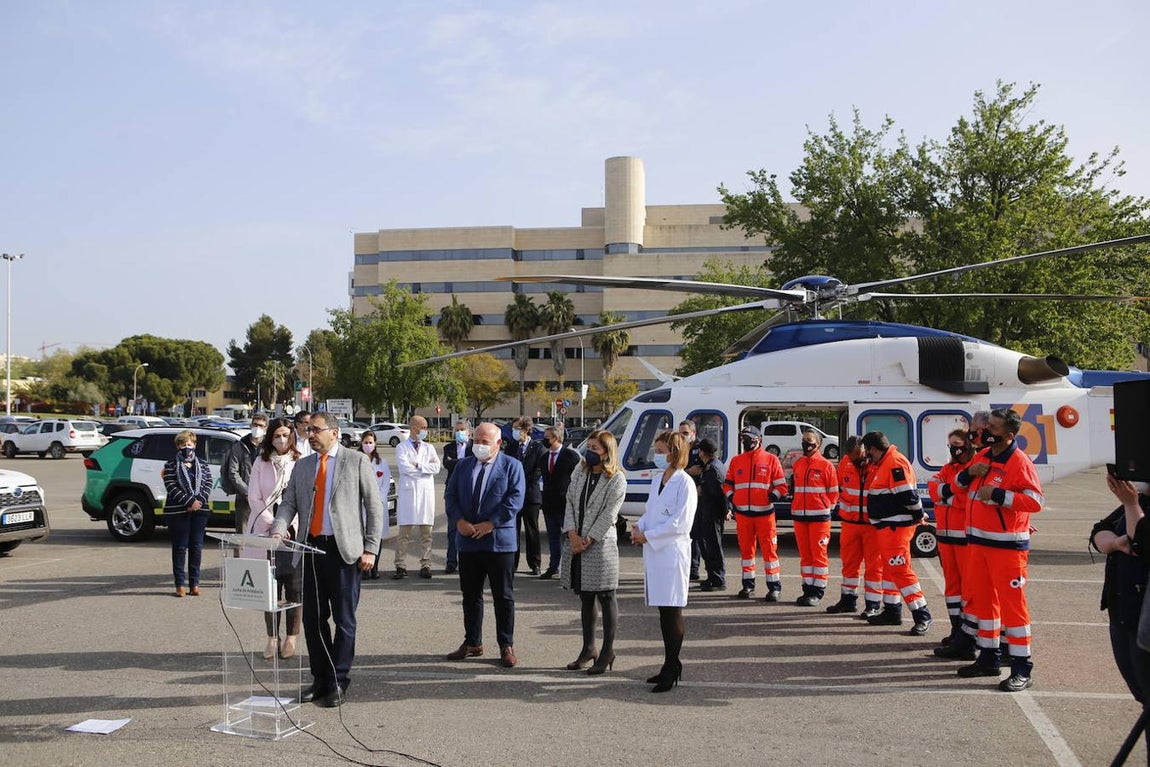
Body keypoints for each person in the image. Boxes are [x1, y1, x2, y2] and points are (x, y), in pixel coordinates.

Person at [271, 412, 383, 708]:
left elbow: (374, 507)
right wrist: (278, 530)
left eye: (316, 429)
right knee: (313, 619)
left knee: (344, 620)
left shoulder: (355, 461)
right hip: (311, 549)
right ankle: (320, 679)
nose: (310, 434)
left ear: (334, 432)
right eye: (308, 430)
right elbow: (289, 503)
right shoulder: (304, 465)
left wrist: (371, 548)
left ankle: (339, 680)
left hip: (345, 552)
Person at [952, 408, 1044, 692]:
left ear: (1008, 435)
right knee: (984, 605)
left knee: (1013, 610)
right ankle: (988, 658)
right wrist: (969, 473)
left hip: (1007, 549)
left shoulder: (1019, 462)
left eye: (992, 427)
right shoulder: (982, 457)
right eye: (987, 425)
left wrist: (999, 495)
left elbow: (1035, 501)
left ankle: (1021, 668)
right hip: (979, 544)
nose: (984, 431)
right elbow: (957, 486)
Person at [444, 422, 526, 668]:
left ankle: (506, 644)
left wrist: (491, 523)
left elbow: (515, 499)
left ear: (498, 444)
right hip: (468, 541)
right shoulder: (463, 466)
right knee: (470, 595)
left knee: (503, 596)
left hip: (499, 542)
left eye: (485, 442)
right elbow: (451, 495)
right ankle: (472, 641)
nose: (478, 445)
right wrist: (459, 520)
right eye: (476, 440)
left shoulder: (513, 466)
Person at [631, 431, 697, 692]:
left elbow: (680, 524)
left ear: (675, 451)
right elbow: (651, 511)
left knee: (672, 610)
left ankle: (673, 666)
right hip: (655, 552)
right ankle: (668, 663)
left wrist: (649, 536)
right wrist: (639, 528)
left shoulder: (685, 483)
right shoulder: (658, 478)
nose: (656, 456)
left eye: (661, 451)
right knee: (662, 610)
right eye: (656, 451)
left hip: (672, 553)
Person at [1092, 474, 1150, 760]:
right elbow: (1099, 533)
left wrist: (1131, 504)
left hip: (1142, 615)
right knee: (1142, 696)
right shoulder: (1137, 503)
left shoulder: (1137, 505)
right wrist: (1115, 543)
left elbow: (1141, 542)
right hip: (1121, 611)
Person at [560, 430, 627, 675]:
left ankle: (608, 650)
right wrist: (572, 533)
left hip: (599, 545)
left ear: (607, 452)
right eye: (588, 446)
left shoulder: (617, 479)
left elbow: (610, 514)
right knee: (585, 597)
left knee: (606, 596)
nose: (590, 452)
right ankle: (589, 648)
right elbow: (568, 501)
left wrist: (587, 538)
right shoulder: (580, 471)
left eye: (595, 448)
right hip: (576, 541)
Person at [861, 431, 932, 636]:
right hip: (888, 527)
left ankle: (922, 614)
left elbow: (909, 496)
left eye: (868, 451)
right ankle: (892, 610)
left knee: (900, 569)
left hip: (896, 528)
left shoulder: (893, 463)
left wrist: (919, 515)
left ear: (873, 448)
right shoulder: (886, 462)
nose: (868, 455)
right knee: (891, 569)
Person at [247, 417, 302, 660]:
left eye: (285, 435)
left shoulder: (300, 462)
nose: (281, 440)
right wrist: (272, 523)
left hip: (293, 532)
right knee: (269, 589)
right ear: (270, 437)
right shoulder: (261, 461)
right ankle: (272, 637)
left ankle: (291, 636)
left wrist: (288, 524)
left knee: (293, 586)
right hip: (264, 529)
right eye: (277, 435)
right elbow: (254, 497)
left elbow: (303, 498)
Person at [723, 425, 788, 601]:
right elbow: (727, 484)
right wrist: (733, 497)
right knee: (746, 552)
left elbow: (782, 486)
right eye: (743, 438)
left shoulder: (771, 459)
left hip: (765, 515)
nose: (745, 441)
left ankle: (774, 588)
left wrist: (771, 496)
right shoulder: (737, 460)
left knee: (770, 552)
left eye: (749, 438)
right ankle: (748, 586)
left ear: (758, 440)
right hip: (743, 515)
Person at [928, 429, 976, 655]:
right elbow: (932, 490)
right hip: (945, 539)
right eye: (950, 445)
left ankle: (969, 635)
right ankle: (957, 630)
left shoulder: (973, 469)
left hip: (965, 539)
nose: (954, 448)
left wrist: (946, 496)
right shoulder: (948, 469)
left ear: (967, 445)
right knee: (953, 589)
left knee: (969, 589)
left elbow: (967, 500)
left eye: (957, 444)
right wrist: (950, 495)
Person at [826, 436, 881, 616]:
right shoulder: (845, 462)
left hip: (871, 525)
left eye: (856, 455)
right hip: (850, 523)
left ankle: (873, 604)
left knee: (874, 567)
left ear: (865, 451)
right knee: (849, 564)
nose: (853, 458)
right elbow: (839, 486)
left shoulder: (876, 464)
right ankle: (848, 600)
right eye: (850, 455)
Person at [790, 430, 839, 607]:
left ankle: (818, 591)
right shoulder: (798, 464)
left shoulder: (826, 466)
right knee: (805, 555)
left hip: (819, 517)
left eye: (809, 441)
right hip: (800, 516)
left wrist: (824, 509)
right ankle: (807, 589)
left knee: (818, 555)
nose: (806, 444)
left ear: (818, 444)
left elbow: (834, 494)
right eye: (804, 440)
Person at [162, 430, 213, 598]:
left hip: (200, 511)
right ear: (178, 446)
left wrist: (198, 500)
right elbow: (171, 486)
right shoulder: (170, 465)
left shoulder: (203, 464)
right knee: (180, 547)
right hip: (178, 511)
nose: (187, 448)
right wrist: (189, 501)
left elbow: (208, 483)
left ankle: (195, 583)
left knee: (196, 547)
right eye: (183, 445)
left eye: (190, 444)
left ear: (195, 445)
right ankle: (179, 584)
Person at [394, 415, 441, 579]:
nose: (426, 431)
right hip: (409, 493)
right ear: (414, 428)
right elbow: (405, 468)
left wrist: (418, 465)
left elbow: (436, 468)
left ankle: (426, 564)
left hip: (425, 494)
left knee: (426, 534)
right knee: (404, 534)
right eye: (424, 427)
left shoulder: (429, 448)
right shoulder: (401, 447)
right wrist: (423, 470)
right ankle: (400, 565)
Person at [540, 424, 581, 579]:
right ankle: (553, 566)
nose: (544, 440)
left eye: (547, 438)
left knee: (570, 536)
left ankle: (571, 568)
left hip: (566, 504)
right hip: (549, 504)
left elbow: (577, 480)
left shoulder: (571, 457)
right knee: (553, 537)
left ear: (556, 438)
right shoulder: (544, 457)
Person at [506, 417, 545, 575]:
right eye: (513, 428)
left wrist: (520, 481)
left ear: (526, 430)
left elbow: (537, 471)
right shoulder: (511, 447)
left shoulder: (538, 448)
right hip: (512, 496)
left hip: (530, 496)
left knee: (532, 531)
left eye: (517, 428)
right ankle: (512, 564)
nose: (514, 431)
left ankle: (534, 563)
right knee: (512, 530)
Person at [224, 413, 267, 534]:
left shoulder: (269, 447)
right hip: (244, 498)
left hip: (265, 498)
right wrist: (248, 493)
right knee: (242, 533)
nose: (257, 428)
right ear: (250, 425)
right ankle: (240, 554)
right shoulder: (239, 446)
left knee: (263, 533)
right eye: (255, 424)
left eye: (261, 425)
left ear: (266, 428)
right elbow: (233, 472)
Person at [695, 438, 728, 592]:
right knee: (710, 545)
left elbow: (718, 494)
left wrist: (701, 491)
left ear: (703, 452)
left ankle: (718, 579)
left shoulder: (712, 469)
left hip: (712, 513)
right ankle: (712, 577)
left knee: (713, 546)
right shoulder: (714, 466)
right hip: (710, 512)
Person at [441, 421, 474, 574]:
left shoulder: (474, 446)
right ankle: (451, 561)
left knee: (470, 526)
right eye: (457, 430)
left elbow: (474, 464)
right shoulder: (448, 447)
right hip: (452, 490)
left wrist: (457, 463)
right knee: (452, 528)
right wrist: (462, 462)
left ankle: (469, 560)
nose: (459, 432)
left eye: (462, 430)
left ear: (468, 431)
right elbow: (446, 464)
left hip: (470, 490)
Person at [361, 430, 393, 580]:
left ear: (375, 443)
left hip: (378, 504)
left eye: (371, 442)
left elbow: (386, 482)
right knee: (363, 535)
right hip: (360, 504)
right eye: (366, 442)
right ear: (361, 443)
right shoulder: (357, 460)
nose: (368, 445)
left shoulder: (382, 462)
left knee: (376, 536)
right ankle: (364, 569)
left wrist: (377, 499)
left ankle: (375, 567)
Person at [679, 420, 705, 581]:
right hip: (682, 494)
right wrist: (689, 471)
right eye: (680, 433)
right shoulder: (679, 447)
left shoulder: (701, 448)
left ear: (694, 433)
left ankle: (694, 569)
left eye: (686, 433)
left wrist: (689, 472)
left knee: (696, 533)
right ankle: (686, 566)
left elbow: (701, 470)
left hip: (698, 495)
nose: (682, 436)